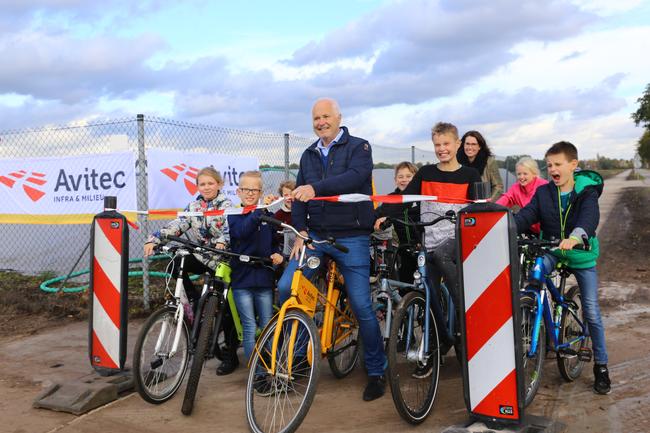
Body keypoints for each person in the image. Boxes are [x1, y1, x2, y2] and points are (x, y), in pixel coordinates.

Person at [277, 97, 387, 401]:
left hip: (352, 237)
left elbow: (355, 178)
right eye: (316, 118)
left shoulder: (359, 147)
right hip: (317, 237)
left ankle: (377, 370)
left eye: (326, 116)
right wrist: (300, 231)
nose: (321, 122)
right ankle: (299, 356)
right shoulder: (308, 155)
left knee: (362, 305)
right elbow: (300, 195)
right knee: (288, 288)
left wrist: (316, 189)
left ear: (338, 117)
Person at [376, 122, 481, 375]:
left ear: (457, 144)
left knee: (446, 267)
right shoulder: (424, 174)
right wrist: (379, 215)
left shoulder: (470, 176)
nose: (442, 149)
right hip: (430, 244)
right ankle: (440, 342)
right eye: (437, 145)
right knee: (429, 295)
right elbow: (403, 201)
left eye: (446, 144)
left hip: (458, 243)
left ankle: (466, 314)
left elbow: (481, 210)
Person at [514, 141, 610, 395]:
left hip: (580, 254)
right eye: (548, 166)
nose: (552, 169)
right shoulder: (544, 192)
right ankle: (538, 318)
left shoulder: (586, 192)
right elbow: (526, 215)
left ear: (573, 165)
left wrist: (576, 237)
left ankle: (601, 365)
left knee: (590, 308)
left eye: (558, 164)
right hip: (554, 251)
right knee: (535, 273)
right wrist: (505, 228)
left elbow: (589, 218)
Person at [143, 167, 239, 376]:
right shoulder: (194, 206)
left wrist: (223, 243)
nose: (206, 187)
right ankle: (194, 300)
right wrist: (155, 238)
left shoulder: (228, 205)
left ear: (219, 184)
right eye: (202, 184)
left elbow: (231, 229)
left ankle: (230, 354)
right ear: (197, 187)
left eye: (210, 183)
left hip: (223, 259)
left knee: (228, 308)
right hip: (204, 256)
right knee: (176, 262)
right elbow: (179, 224)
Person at [227, 170, 283, 387]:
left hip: (264, 279)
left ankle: (272, 368)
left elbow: (273, 240)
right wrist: (258, 211)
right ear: (238, 191)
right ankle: (258, 375)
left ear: (261, 191)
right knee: (250, 328)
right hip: (242, 280)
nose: (250, 193)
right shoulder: (234, 213)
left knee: (268, 325)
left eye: (255, 190)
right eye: (246, 189)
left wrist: (277, 253)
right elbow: (241, 232)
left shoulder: (265, 213)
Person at [374, 161, 420, 282]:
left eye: (409, 176)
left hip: (423, 247)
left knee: (427, 282)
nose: (404, 180)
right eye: (400, 177)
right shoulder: (391, 198)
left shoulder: (422, 197)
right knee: (405, 282)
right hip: (403, 248)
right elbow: (377, 215)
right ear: (395, 180)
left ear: (416, 178)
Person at [496, 156, 548, 234]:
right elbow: (505, 199)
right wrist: (493, 209)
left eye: (525, 174)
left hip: (547, 229)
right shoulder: (516, 188)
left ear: (534, 174)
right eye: (519, 174)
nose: (521, 177)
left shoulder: (544, 185)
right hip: (530, 229)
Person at [457, 130, 503, 201]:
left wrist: (489, 201)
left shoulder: (489, 162)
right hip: (461, 203)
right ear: (463, 145)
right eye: (467, 144)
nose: (469, 147)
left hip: (482, 204)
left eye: (473, 144)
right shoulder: (456, 161)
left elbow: (498, 186)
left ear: (479, 147)